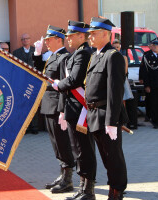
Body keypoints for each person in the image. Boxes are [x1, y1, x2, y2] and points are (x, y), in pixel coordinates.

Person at [52, 20, 96, 199]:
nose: (68, 39)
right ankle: (83, 188)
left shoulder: (83, 54)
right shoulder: (77, 53)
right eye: (67, 36)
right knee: (78, 150)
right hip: (73, 109)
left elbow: (75, 80)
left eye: (71, 36)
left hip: (80, 110)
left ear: (81, 36)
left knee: (83, 150)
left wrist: (57, 85)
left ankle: (88, 190)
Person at [85, 17, 128, 200]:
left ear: (105, 34)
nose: (90, 37)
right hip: (94, 114)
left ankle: (117, 191)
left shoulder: (113, 56)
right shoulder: (96, 55)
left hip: (106, 116)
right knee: (106, 157)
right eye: (90, 34)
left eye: (94, 34)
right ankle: (113, 187)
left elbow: (115, 92)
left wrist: (112, 121)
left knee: (113, 156)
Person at [32, 25, 75, 194]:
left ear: (59, 39)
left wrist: (63, 109)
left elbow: (65, 85)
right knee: (56, 143)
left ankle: (68, 179)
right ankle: (62, 174)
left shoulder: (64, 57)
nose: (47, 43)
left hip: (57, 105)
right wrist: (36, 54)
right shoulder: (52, 57)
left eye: (49, 40)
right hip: (49, 104)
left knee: (62, 143)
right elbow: (41, 75)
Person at [13, 33, 38, 134]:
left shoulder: (36, 51)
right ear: (21, 41)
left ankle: (35, 127)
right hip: (21, 82)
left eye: (27, 39)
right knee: (22, 105)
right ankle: (25, 128)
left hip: (33, 81)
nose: (25, 40)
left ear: (30, 39)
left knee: (33, 104)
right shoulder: (16, 52)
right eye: (23, 39)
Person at [140, 38, 158, 128]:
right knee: (154, 103)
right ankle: (156, 122)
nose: (155, 46)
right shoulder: (147, 56)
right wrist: (147, 85)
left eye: (157, 44)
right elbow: (144, 72)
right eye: (154, 45)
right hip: (153, 84)